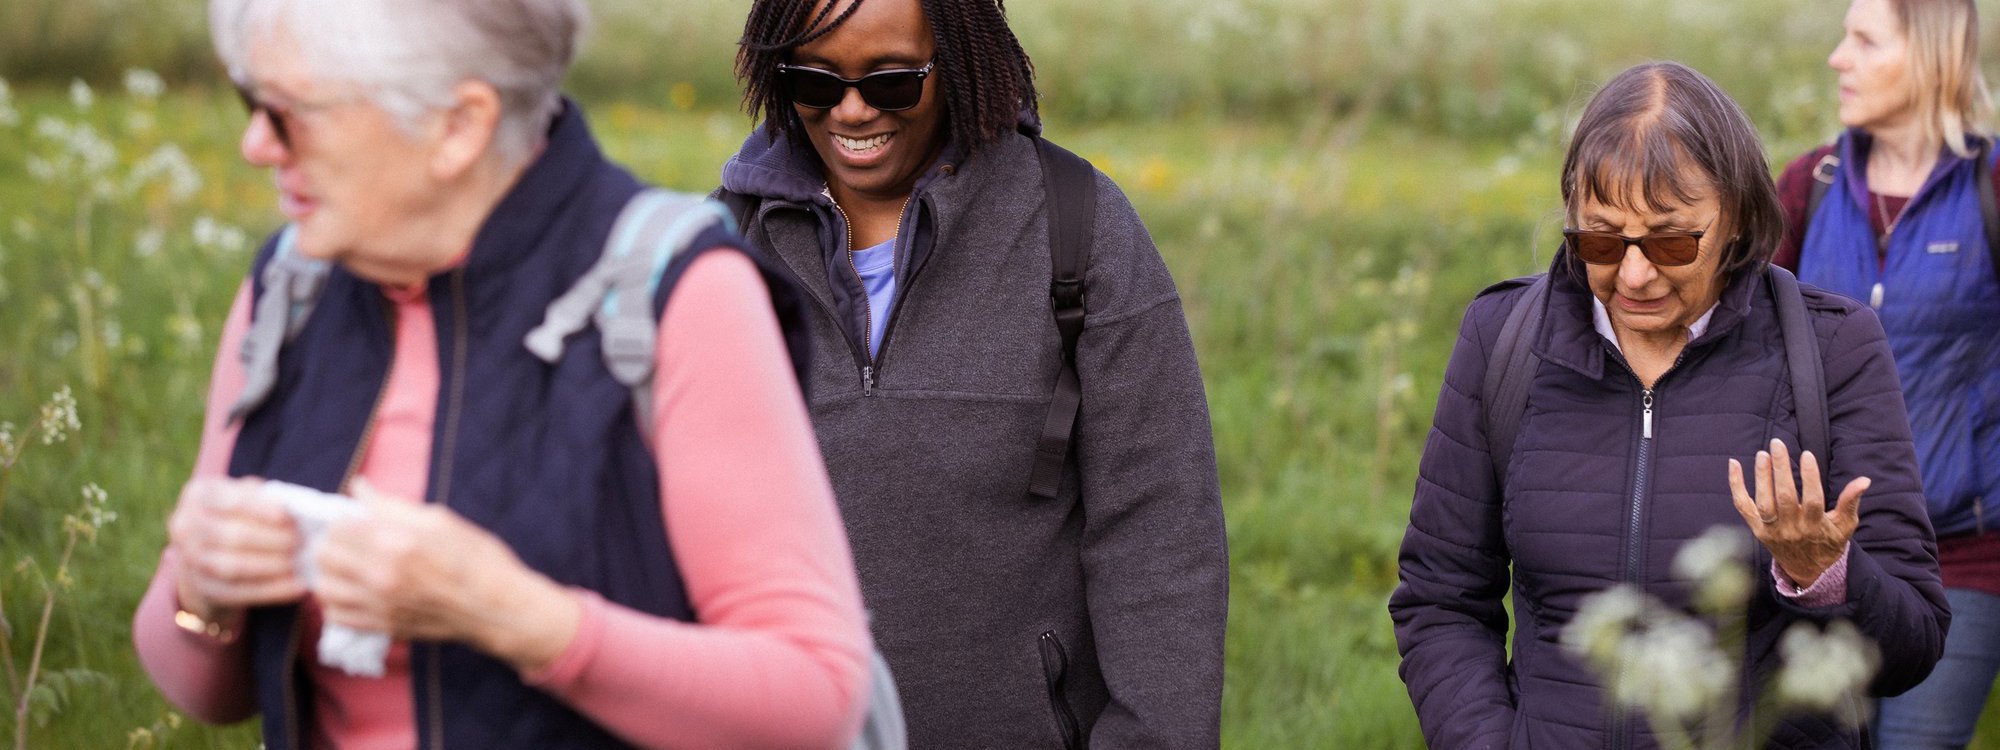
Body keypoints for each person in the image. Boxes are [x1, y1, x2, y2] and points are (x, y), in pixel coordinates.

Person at [131, 0, 871, 747]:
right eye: (249, 100)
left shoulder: (676, 295)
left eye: (289, 113)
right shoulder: (289, 290)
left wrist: (516, 618)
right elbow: (203, 693)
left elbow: (815, 696)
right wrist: (203, 592)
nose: (256, 144)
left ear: (459, 126)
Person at [1390, 61, 1949, 748]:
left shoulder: (1834, 349)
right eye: (1599, 237)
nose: (1633, 273)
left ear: (1739, 218)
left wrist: (1824, 574)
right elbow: (1441, 601)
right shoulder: (1501, 340)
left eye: (1671, 239)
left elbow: (1915, 644)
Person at [719, 0, 1229, 746]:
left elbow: (1160, 534)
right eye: (815, 80)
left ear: (955, 60)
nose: (853, 111)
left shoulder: (1078, 232)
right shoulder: (720, 253)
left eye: (891, 81)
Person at [1772, 1, 1997, 744]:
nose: (1839, 58)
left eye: (1864, 41)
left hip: (1962, 553)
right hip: (1815, 550)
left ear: (1930, 55)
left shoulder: (1992, 191)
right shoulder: (1810, 186)